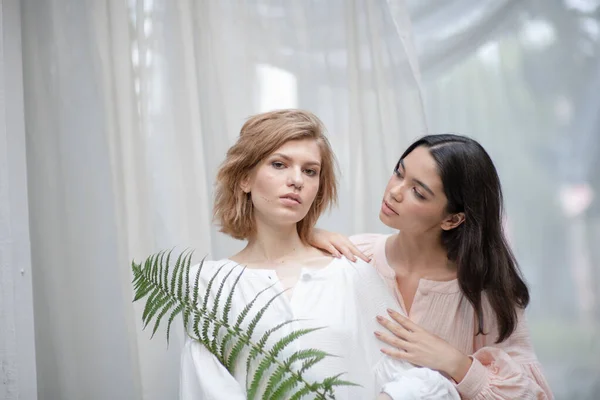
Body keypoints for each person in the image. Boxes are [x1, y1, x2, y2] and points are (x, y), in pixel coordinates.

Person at [180, 110, 460, 399]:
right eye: (279, 164)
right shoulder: (205, 284)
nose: (296, 180)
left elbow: (420, 379)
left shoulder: (352, 272)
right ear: (244, 180)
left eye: (310, 171)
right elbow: (205, 387)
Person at [310, 134, 554, 399]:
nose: (394, 191)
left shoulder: (486, 293)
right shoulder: (354, 256)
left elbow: (531, 394)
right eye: (399, 173)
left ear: (452, 219)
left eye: (418, 192)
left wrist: (455, 363)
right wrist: (305, 237)